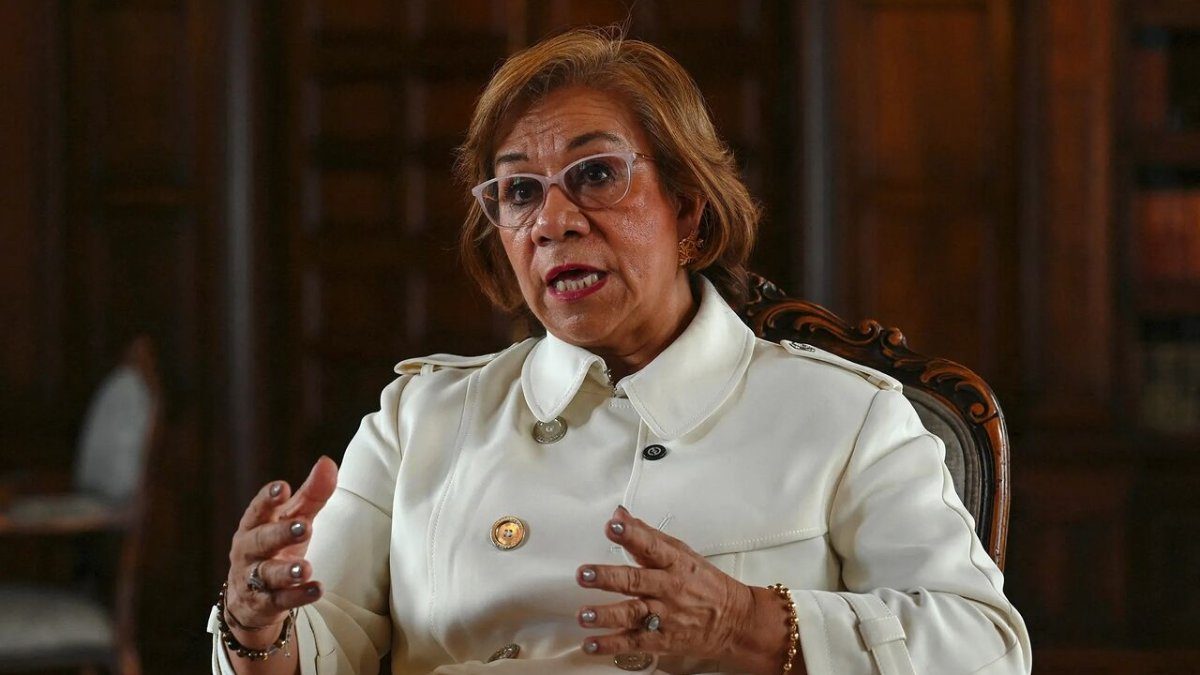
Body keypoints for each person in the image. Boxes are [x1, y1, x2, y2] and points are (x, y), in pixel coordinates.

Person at [207, 27, 1031, 675]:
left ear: (688, 209)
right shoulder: (418, 418)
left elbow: (985, 648)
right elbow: (319, 649)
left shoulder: (845, 415)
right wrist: (255, 624)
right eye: (519, 190)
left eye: (596, 175)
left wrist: (747, 625)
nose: (551, 221)